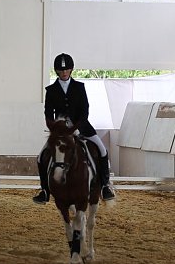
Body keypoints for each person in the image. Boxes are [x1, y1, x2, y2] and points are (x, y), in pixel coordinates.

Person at [32, 53, 115, 204]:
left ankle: (105, 186)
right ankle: (44, 190)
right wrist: (54, 128)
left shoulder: (79, 87)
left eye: (67, 69)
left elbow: (85, 110)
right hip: (60, 131)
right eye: (61, 70)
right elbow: (48, 114)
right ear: (57, 71)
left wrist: (77, 127)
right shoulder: (51, 90)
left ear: (71, 70)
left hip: (82, 127)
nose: (64, 72)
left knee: (102, 150)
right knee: (41, 156)